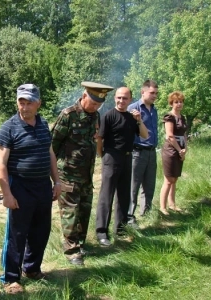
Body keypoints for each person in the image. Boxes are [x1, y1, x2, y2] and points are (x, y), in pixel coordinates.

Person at [0, 84, 61, 294]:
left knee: (41, 230)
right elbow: (1, 164)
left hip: (42, 185)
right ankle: (11, 278)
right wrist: (7, 194)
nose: (25, 107)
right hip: (20, 185)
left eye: (29, 102)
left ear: (38, 103)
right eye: (21, 102)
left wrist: (57, 181)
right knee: (17, 234)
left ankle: (32, 269)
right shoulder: (8, 128)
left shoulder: (42, 124)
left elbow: (50, 154)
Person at [51, 81, 115, 266]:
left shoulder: (96, 116)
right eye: (93, 103)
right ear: (84, 95)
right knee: (70, 213)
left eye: (98, 104)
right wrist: (53, 177)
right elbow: (52, 146)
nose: (95, 107)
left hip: (86, 175)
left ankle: (80, 243)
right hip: (67, 175)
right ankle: (72, 251)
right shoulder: (68, 115)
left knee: (84, 212)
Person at [95, 87, 148, 247]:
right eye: (118, 98)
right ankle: (102, 232)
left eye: (125, 98)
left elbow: (145, 136)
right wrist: (102, 155)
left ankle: (120, 228)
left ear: (130, 100)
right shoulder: (108, 116)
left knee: (124, 195)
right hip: (111, 157)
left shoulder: (133, 117)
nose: (121, 101)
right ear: (114, 99)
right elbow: (100, 138)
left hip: (127, 157)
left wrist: (139, 120)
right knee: (106, 195)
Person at [127, 80, 159, 225]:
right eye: (152, 93)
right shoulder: (133, 109)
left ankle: (146, 214)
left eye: (156, 93)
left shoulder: (154, 109)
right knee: (134, 185)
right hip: (137, 152)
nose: (155, 96)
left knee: (149, 185)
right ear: (143, 92)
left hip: (152, 151)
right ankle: (129, 216)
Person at [159, 91, 188, 215]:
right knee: (168, 179)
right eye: (176, 102)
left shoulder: (183, 117)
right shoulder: (169, 117)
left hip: (180, 149)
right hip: (171, 150)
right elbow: (170, 136)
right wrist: (179, 150)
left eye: (181, 101)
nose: (179, 104)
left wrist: (185, 148)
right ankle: (162, 207)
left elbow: (185, 134)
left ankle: (172, 204)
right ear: (171, 103)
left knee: (175, 178)